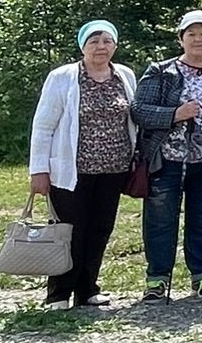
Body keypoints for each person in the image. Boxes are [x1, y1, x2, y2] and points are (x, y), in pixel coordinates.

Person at [132, 11, 202, 303]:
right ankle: (157, 279)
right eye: (191, 34)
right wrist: (175, 114)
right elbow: (139, 110)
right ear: (181, 38)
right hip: (166, 160)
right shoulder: (161, 70)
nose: (198, 39)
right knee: (160, 221)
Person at [29, 20, 140, 310]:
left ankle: (88, 289)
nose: (101, 47)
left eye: (107, 41)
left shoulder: (125, 75)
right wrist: (38, 170)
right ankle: (59, 293)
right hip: (70, 171)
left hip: (114, 170)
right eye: (94, 41)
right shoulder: (62, 77)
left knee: (100, 229)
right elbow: (43, 126)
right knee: (68, 231)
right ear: (82, 46)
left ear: (115, 45)